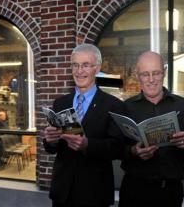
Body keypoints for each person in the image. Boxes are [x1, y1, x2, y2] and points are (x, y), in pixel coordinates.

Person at [43, 43, 125, 207]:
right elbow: (53, 149)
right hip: (62, 192)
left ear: (97, 68)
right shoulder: (60, 103)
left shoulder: (113, 105)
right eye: (75, 65)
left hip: (94, 193)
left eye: (86, 65)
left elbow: (118, 147)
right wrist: (50, 140)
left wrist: (88, 145)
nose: (79, 71)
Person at [118, 51, 184, 207]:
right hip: (133, 191)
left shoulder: (182, 106)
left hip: (170, 193)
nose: (151, 80)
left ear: (165, 72)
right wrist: (133, 151)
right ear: (137, 75)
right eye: (145, 74)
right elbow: (114, 148)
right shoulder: (125, 108)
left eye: (156, 73)